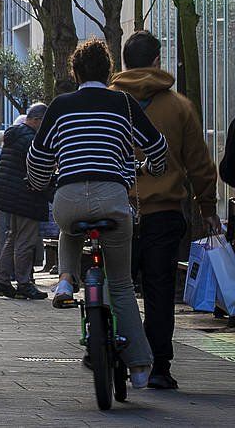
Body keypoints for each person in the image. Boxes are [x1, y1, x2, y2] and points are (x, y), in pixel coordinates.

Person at [28, 38, 167, 389]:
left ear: (75, 73)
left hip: (70, 197)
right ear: (109, 73)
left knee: (69, 227)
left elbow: (38, 158)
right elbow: (157, 145)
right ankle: (138, 367)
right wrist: (154, 165)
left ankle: (65, 279)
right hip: (113, 199)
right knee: (120, 285)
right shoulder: (122, 102)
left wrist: (38, 181)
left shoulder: (59, 106)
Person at [110, 30, 219, 390]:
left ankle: (110, 350)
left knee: (118, 285)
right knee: (158, 291)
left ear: (124, 63)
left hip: (117, 208)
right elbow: (200, 163)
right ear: (157, 61)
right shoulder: (179, 106)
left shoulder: (108, 102)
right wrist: (207, 206)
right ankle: (159, 367)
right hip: (164, 211)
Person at [0, 103, 49, 300]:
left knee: (14, 237)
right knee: (25, 240)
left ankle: (2, 281)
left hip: (11, 195)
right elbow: (39, 167)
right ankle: (24, 283)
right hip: (26, 195)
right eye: (45, 122)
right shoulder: (31, 139)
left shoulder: (15, 135)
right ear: (37, 120)